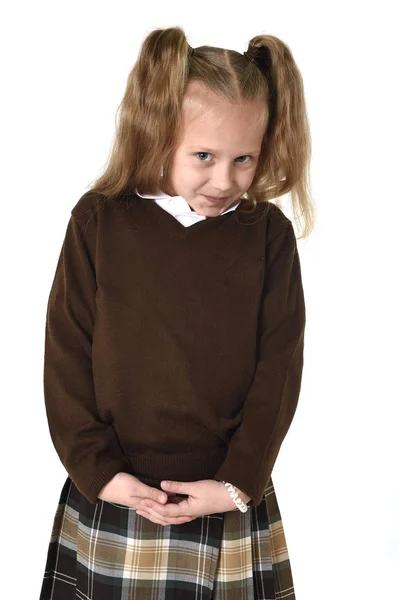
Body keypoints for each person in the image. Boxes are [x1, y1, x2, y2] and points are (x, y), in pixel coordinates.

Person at [39, 25, 315, 600]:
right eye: (204, 156)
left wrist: (237, 483)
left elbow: (279, 372)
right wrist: (100, 473)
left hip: (226, 494)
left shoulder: (267, 236)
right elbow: (66, 358)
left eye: (245, 158)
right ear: (157, 132)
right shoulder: (100, 222)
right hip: (116, 494)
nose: (225, 180)